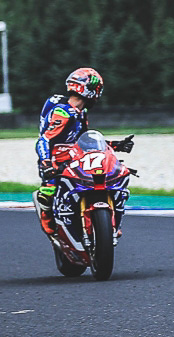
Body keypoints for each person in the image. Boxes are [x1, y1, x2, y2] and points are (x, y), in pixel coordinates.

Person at [34, 68, 133, 242]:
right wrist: (46, 162)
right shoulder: (63, 112)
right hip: (55, 160)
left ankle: (109, 224)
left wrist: (116, 145)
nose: (98, 95)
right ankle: (47, 217)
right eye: (97, 89)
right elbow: (44, 140)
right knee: (48, 192)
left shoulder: (81, 112)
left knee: (107, 179)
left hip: (75, 156)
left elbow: (84, 139)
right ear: (88, 89)